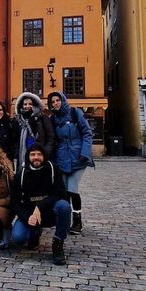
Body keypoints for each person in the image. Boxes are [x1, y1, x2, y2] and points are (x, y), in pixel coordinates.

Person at [10, 144, 71, 265]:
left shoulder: (53, 169)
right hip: (30, 214)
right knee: (18, 238)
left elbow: (61, 193)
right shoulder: (21, 174)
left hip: (50, 212)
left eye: (39, 154)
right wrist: (27, 218)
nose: (36, 157)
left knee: (64, 206)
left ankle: (58, 244)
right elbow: (15, 202)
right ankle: (35, 231)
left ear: (44, 156)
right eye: (33, 155)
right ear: (28, 157)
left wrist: (39, 206)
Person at [48, 91, 94, 235]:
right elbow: (53, 139)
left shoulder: (75, 113)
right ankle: (65, 220)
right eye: (53, 102)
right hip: (62, 158)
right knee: (63, 191)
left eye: (57, 100)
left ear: (62, 100)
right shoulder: (53, 119)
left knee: (72, 189)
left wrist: (85, 152)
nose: (55, 103)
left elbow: (87, 133)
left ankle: (77, 221)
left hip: (78, 157)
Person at [13, 92, 55, 168]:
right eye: (25, 104)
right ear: (21, 106)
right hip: (23, 156)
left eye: (30, 104)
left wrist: (45, 153)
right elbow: (15, 140)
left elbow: (50, 138)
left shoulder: (42, 118)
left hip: (39, 157)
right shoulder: (18, 121)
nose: (27, 106)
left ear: (35, 105)